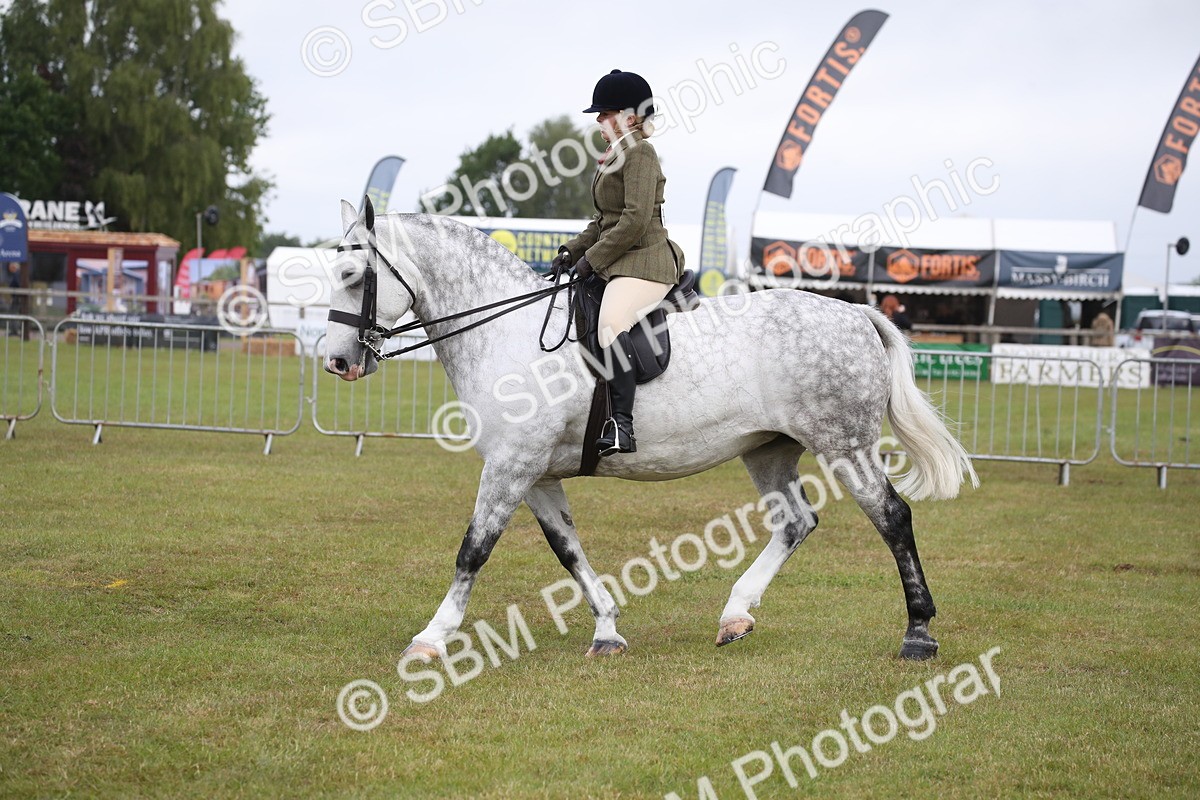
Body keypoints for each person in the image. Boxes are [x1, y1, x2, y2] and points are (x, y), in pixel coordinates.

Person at [551, 69, 685, 457]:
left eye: (605, 113)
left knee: (611, 321)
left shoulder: (641, 152)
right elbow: (604, 221)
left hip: (648, 261)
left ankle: (621, 426)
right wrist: (572, 252)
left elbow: (635, 220)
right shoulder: (616, 154)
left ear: (629, 116)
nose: (597, 120)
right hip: (623, 260)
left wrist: (591, 261)